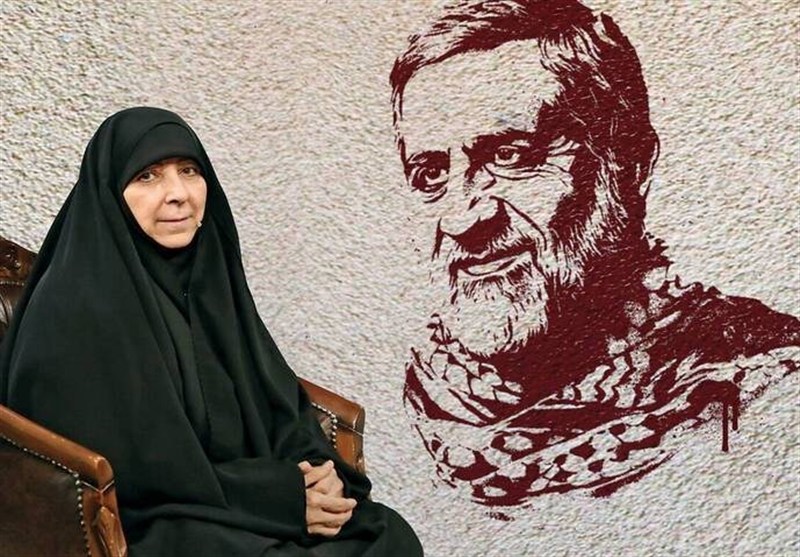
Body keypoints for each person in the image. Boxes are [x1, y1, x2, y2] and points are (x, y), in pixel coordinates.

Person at [390, 0, 799, 507]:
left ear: (630, 165)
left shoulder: (765, 390)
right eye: (430, 174)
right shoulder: (414, 404)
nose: (460, 219)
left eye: (511, 156)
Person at [0, 107, 423, 556]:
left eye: (189, 170)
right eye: (147, 176)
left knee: (388, 535)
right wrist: (279, 497)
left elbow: (276, 397)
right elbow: (132, 473)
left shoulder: (207, 277)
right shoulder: (75, 304)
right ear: (110, 193)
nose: (177, 194)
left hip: (241, 498)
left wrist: (318, 471)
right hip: (156, 519)